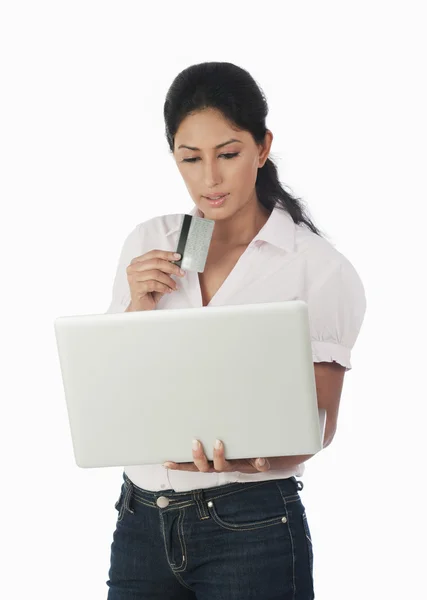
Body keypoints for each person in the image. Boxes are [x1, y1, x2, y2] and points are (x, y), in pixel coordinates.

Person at [105, 62, 366, 600]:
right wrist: (136, 305)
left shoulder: (316, 268)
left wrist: (254, 458)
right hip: (140, 521)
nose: (210, 179)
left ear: (262, 147)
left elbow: (318, 423)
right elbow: (109, 394)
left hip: (250, 526)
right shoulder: (149, 242)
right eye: (190, 159)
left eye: (228, 154)